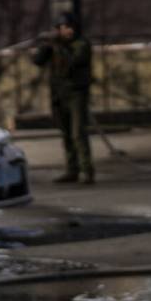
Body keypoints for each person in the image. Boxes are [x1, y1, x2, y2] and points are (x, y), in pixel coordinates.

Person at [32, 11, 94, 184]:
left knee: (77, 133)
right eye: (65, 27)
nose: (68, 31)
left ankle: (87, 170)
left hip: (76, 93)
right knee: (66, 133)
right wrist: (45, 46)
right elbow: (38, 61)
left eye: (70, 27)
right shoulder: (55, 46)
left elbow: (72, 61)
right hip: (59, 94)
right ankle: (72, 169)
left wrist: (57, 45)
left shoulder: (81, 44)